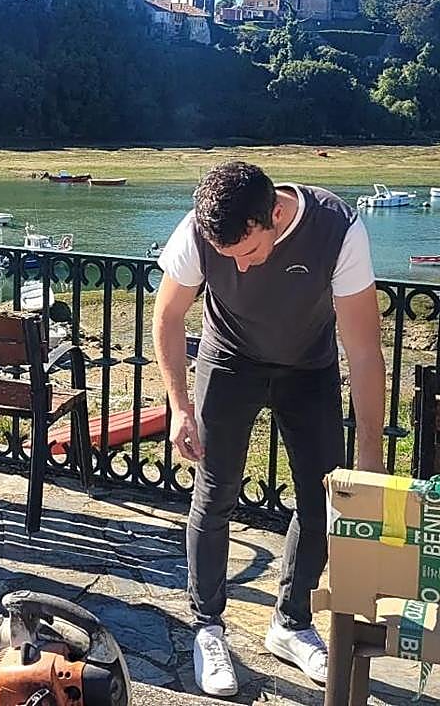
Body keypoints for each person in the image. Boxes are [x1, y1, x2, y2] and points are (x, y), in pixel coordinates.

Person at [152, 161, 385, 696]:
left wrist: (370, 450)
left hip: (310, 368)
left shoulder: (338, 228)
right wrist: (180, 407)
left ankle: (292, 623)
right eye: (230, 258)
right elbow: (168, 316)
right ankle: (207, 627)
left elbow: (364, 349)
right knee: (215, 494)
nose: (242, 267)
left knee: (320, 499)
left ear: (276, 214)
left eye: (250, 251)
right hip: (227, 362)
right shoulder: (198, 230)